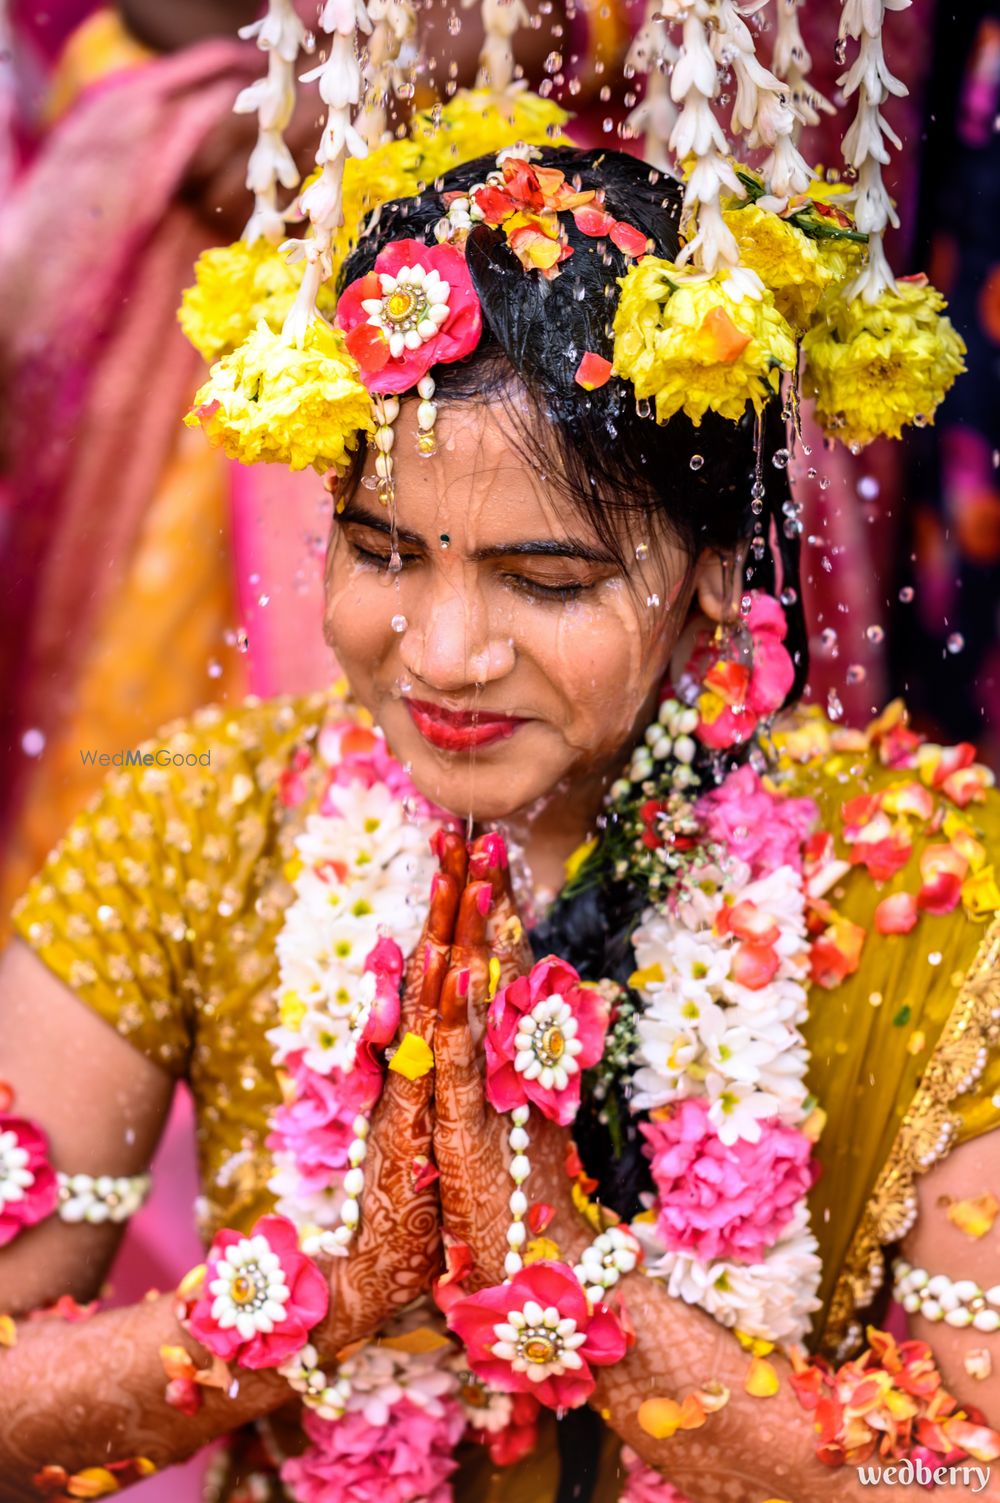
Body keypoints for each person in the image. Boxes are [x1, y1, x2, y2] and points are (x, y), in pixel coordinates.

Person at [0, 138, 998, 1503]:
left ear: (715, 575)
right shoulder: (201, 819)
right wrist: (315, 1301)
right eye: (383, 550)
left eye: (545, 581)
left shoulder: (924, 879)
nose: (446, 653)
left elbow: (960, 1479)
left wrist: (589, 1303)